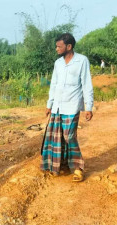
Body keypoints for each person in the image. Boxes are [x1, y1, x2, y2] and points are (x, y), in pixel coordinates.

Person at [42, 33, 94, 182]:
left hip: (72, 106)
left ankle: (78, 168)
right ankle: (60, 165)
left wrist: (88, 107)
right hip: (57, 106)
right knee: (56, 137)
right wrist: (49, 104)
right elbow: (54, 85)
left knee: (69, 136)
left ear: (69, 46)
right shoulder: (58, 63)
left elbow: (86, 84)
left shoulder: (82, 61)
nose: (56, 49)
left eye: (59, 46)